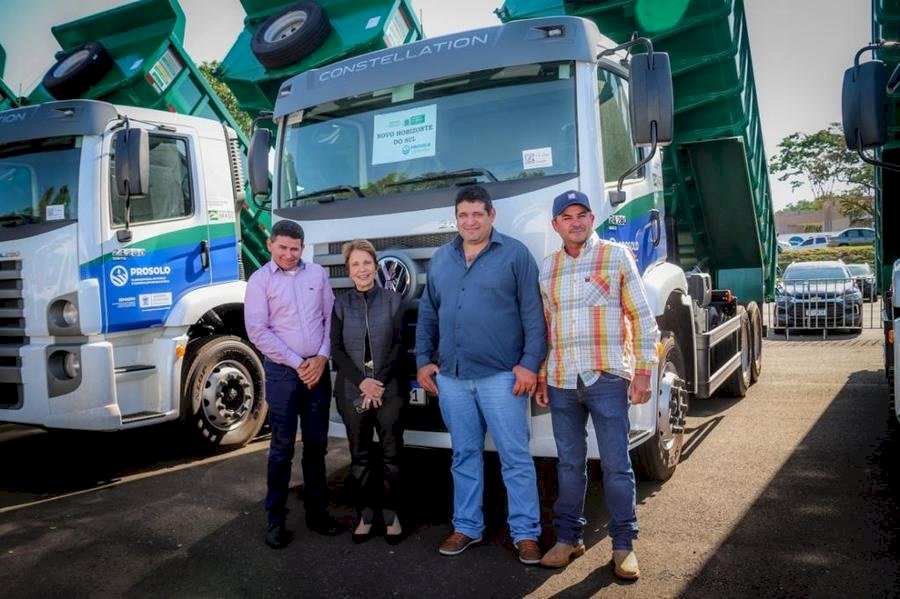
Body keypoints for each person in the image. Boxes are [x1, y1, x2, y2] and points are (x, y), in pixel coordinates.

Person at [415, 184, 547, 565]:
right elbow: (428, 314)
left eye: (477, 214)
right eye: (463, 215)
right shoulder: (441, 259)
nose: (470, 221)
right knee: (464, 455)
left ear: (492, 215)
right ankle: (467, 527)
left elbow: (533, 316)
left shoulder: (516, 255)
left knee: (515, 457)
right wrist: (424, 359)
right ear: (456, 219)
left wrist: (529, 364)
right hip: (453, 378)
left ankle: (526, 534)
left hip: (502, 377)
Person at [534, 190, 659, 580]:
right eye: (566, 217)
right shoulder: (546, 268)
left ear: (592, 219)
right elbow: (544, 327)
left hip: (606, 377)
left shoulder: (616, 257)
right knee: (569, 464)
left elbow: (641, 316)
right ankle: (569, 538)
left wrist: (642, 371)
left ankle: (623, 546)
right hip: (561, 380)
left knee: (616, 465)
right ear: (556, 225)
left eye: (582, 215)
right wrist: (541, 375)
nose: (575, 222)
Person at [244, 219, 343, 549]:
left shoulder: (317, 274)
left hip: (316, 371)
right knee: (282, 449)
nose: (288, 254)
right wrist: (298, 362)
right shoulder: (259, 282)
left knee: (316, 446)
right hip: (284, 374)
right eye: (282, 247)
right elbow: (258, 331)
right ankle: (276, 520)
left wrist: (322, 357)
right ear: (271, 245)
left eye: (295, 248)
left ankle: (317, 514)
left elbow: (331, 318)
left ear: (303, 248)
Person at [330, 239, 405, 544]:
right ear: (349, 271)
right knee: (359, 456)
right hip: (352, 390)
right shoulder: (340, 304)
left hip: (389, 389)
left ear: (376, 266)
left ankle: (391, 515)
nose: (362, 269)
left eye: (366, 263)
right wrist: (362, 383)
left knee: (391, 454)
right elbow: (336, 349)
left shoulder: (393, 301)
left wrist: (378, 383)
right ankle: (365, 515)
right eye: (355, 265)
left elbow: (399, 348)